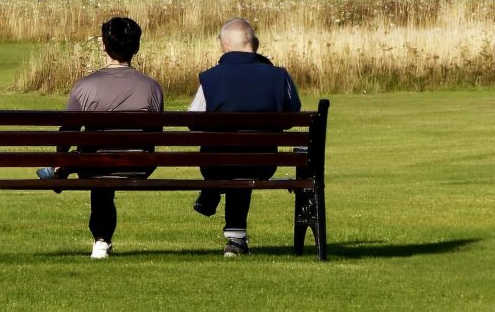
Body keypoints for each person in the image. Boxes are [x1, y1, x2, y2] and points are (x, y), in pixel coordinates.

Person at [37, 16, 164, 259]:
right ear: (136, 47)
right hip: (139, 166)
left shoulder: (86, 86)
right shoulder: (152, 87)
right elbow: (155, 135)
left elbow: (67, 133)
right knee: (98, 159)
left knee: (95, 162)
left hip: (95, 165)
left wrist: (61, 158)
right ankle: (102, 238)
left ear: (104, 45)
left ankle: (101, 241)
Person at [188, 17, 300, 258]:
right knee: (244, 159)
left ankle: (215, 195)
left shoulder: (210, 78)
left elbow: (193, 121)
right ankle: (235, 239)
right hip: (262, 163)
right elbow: (292, 117)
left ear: (224, 46)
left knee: (229, 158)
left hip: (216, 166)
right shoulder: (279, 76)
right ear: (256, 44)